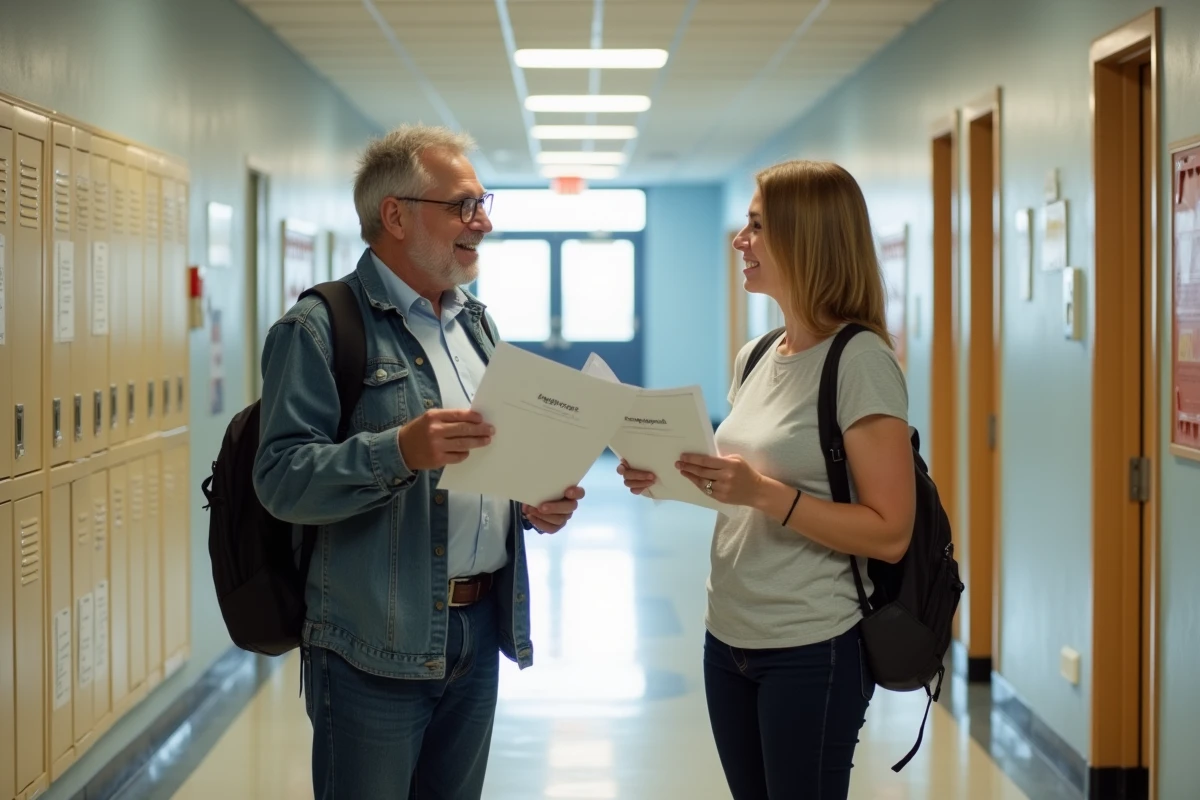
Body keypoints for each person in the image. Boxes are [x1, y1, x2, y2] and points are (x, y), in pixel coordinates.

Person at [253, 123, 585, 799]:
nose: (483, 221)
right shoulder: (319, 327)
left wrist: (529, 504)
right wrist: (399, 450)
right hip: (372, 645)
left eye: (483, 203)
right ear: (396, 216)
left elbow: (481, 467)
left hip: (477, 632)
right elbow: (281, 479)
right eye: (463, 205)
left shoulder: (476, 325)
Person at [618, 160, 915, 799]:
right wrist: (668, 474)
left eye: (757, 226)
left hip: (812, 642)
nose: (740, 240)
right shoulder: (757, 355)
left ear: (807, 238)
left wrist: (762, 493)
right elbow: (745, 485)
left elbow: (891, 533)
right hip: (728, 634)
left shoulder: (861, 361)